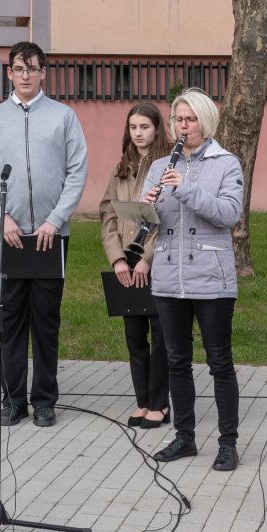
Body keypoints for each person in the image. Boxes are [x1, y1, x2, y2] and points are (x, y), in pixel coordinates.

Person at [0, 41, 88, 427]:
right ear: (9, 72)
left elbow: (77, 171)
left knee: (46, 320)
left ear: (43, 73)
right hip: (8, 235)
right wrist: (0, 218)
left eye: (32, 69)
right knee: (10, 320)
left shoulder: (64, 117)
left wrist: (56, 219)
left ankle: (45, 399)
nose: (25, 75)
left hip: (51, 235)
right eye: (19, 68)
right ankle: (14, 399)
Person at [142, 88, 245, 472]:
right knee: (176, 361)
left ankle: (228, 442)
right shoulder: (157, 167)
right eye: (177, 120)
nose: (182, 126)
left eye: (190, 120)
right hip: (169, 275)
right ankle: (184, 437)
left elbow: (228, 214)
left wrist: (184, 188)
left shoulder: (226, 163)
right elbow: (147, 221)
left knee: (220, 362)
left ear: (206, 122)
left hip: (211, 277)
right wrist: (146, 208)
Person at [99, 103, 171, 429]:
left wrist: (147, 259)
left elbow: (169, 219)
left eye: (144, 126)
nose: (138, 133)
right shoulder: (122, 168)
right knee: (134, 335)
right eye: (133, 127)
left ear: (157, 128)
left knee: (161, 334)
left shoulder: (169, 165)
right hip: (127, 263)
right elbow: (108, 215)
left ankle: (160, 403)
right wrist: (117, 258)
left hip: (158, 262)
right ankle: (142, 401)